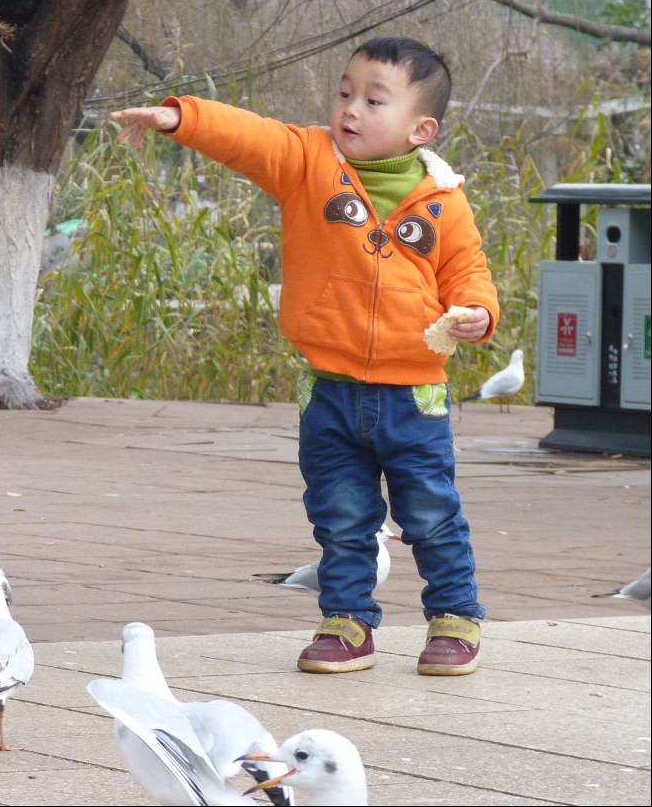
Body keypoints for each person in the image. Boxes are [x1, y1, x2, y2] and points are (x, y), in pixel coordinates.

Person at [112, 36, 499, 677]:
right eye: (344, 92)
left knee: (430, 512)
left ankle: (455, 617)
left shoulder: (443, 198)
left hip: (415, 395)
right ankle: (346, 623)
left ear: (419, 128)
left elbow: (469, 274)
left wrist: (478, 316)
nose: (350, 107)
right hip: (330, 389)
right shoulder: (308, 162)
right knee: (341, 515)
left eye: (374, 100)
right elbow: (249, 136)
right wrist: (179, 117)